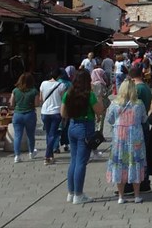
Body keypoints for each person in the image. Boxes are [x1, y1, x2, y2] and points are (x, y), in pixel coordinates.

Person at [61, 69, 104, 205]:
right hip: (85, 127)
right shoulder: (89, 95)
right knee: (81, 162)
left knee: (73, 161)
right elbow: (100, 110)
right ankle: (78, 195)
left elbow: (63, 113)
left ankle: (71, 192)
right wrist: (99, 98)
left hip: (72, 126)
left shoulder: (68, 94)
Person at [106, 78, 148, 204]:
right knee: (134, 162)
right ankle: (136, 195)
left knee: (120, 164)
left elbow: (109, 119)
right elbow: (144, 119)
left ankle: (121, 196)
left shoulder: (114, 103)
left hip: (120, 138)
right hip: (135, 138)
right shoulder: (139, 103)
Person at [125, 64, 152, 194]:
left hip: (136, 126)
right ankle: (144, 180)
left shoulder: (136, 89)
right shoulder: (146, 87)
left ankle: (135, 182)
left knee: (134, 156)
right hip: (145, 124)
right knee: (143, 155)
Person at [10, 72, 40, 163]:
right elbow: (37, 104)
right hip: (29, 114)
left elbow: (11, 103)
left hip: (17, 114)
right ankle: (31, 152)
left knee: (17, 135)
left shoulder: (15, 90)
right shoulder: (34, 91)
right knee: (30, 135)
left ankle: (17, 156)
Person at [40, 68, 66, 165]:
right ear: (59, 76)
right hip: (56, 112)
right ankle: (47, 156)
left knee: (48, 134)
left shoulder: (43, 84)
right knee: (52, 134)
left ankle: (50, 155)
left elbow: (40, 98)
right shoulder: (61, 85)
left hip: (45, 112)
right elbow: (63, 100)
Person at [91, 68, 111, 133]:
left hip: (93, 104)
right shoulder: (99, 84)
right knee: (100, 120)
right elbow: (102, 95)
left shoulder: (92, 83)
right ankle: (99, 134)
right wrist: (109, 91)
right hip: (100, 104)